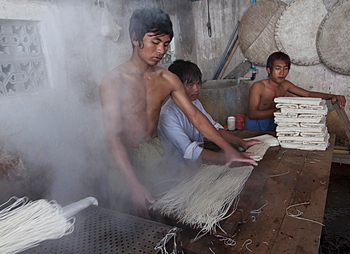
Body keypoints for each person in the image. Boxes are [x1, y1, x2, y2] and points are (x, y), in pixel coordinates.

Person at [99, 7, 257, 219]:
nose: (161, 50)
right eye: (155, 42)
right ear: (135, 39)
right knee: (126, 213)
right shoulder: (113, 82)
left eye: (165, 44)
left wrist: (228, 149)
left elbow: (196, 116)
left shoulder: (167, 79)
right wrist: (134, 185)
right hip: (124, 154)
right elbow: (112, 137)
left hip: (153, 150)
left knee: (160, 207)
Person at [158, 60, 262, 165]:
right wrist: (228, 157)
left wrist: (241, 143)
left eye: (198, 83)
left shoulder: (195, 103)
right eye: (190, 84)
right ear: (177, 85)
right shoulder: (167, 115)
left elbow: (214, 127)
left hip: (195, 164)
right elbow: (190, 151)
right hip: (175, 168)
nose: (196, 89)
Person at [246, 51, 346, 132]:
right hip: (255, 123)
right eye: (277, 68)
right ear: (269, 70)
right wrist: (281, 111)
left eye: (285, 69)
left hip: (274, 121)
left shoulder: (285, 85)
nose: (282, 73)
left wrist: (333, 96)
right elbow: (252, 114)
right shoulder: (258, 87)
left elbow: (307, 94)